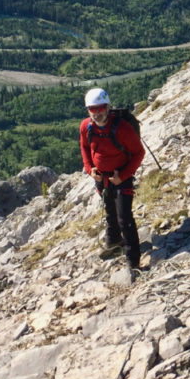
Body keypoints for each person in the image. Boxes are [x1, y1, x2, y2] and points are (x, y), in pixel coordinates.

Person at [79, 87, 145, 272]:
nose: (97, 113)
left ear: (108, 107)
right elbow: (84, 147)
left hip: (120, 177)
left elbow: (139, 153)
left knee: (125, 217)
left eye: (101, 108)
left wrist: (122, 176)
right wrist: (89, 169)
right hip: (101, 178)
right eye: (93, 109)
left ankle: (134, 261)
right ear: (88, 110)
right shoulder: (86, 127)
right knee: (110, 210)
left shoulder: (122, 128)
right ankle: (114, 241)